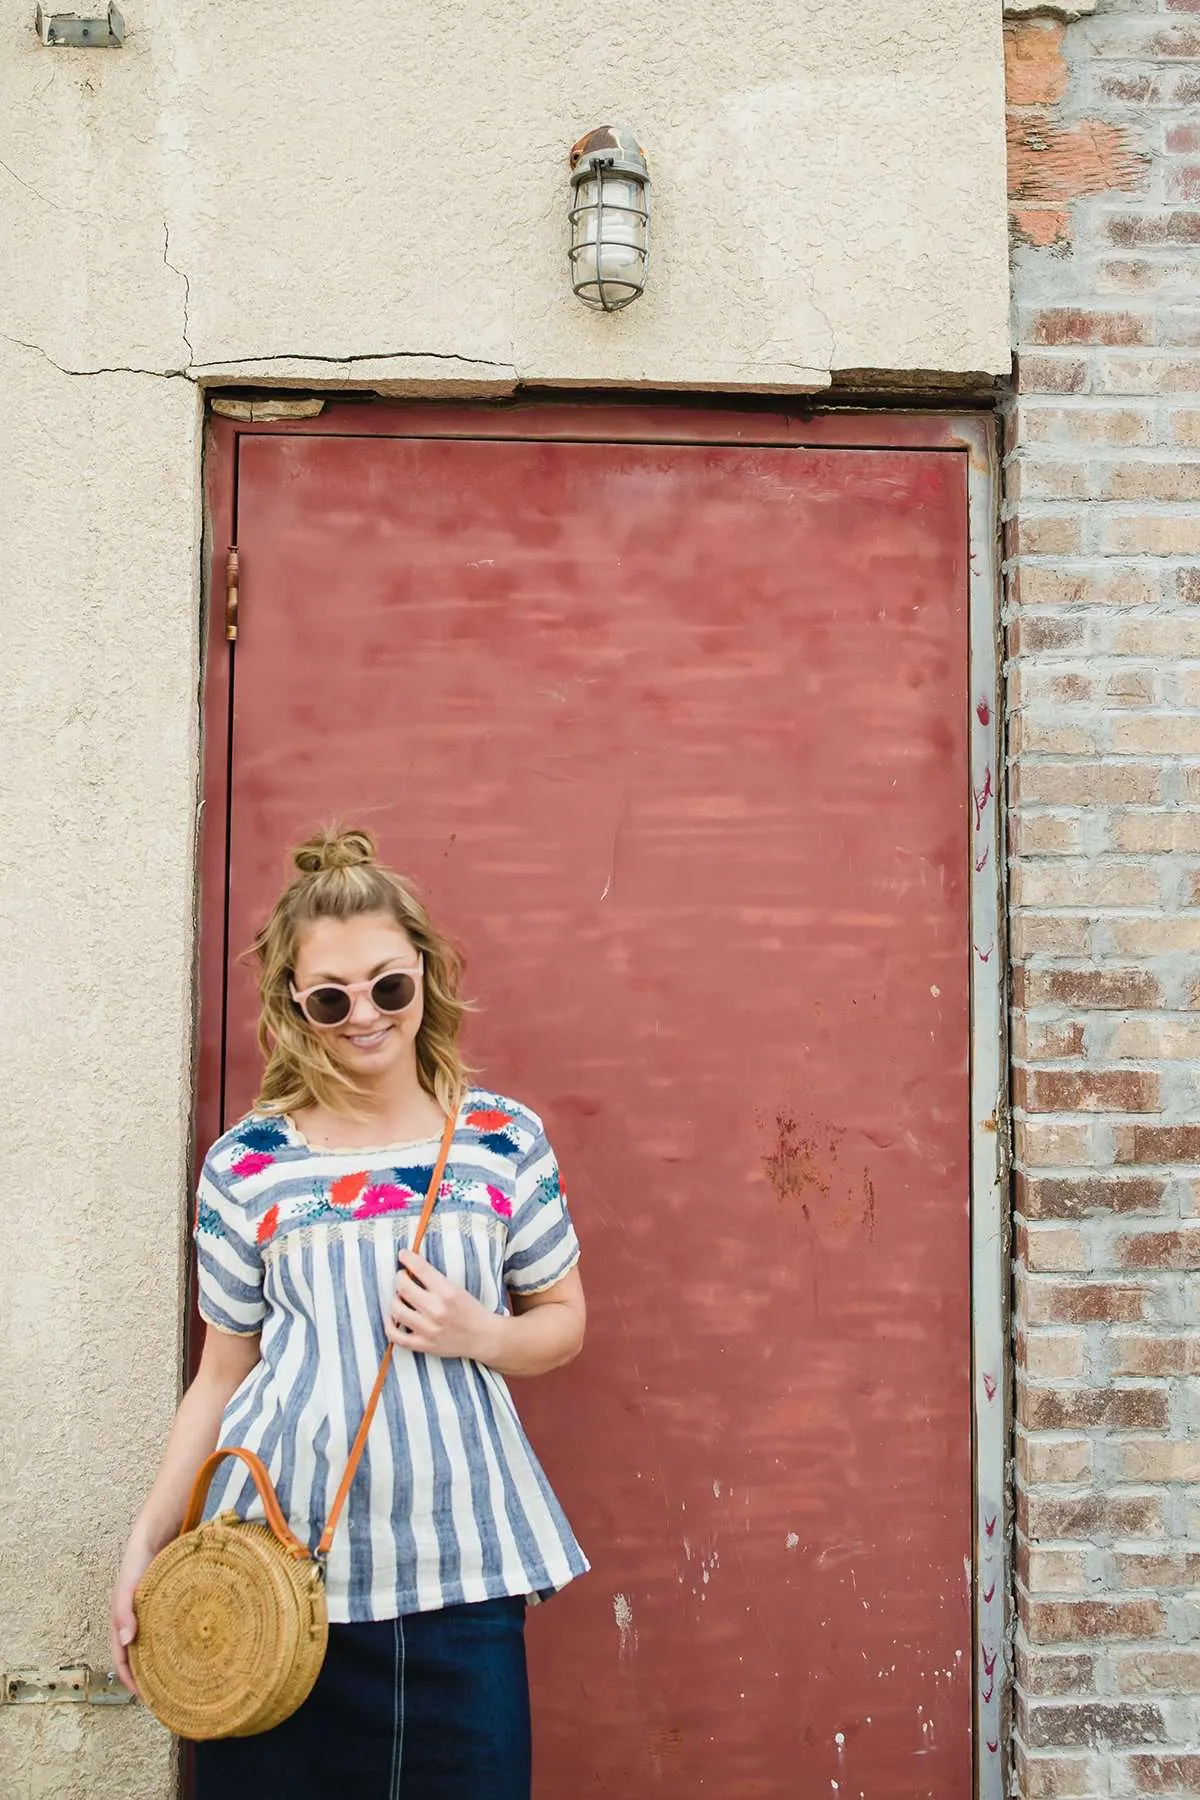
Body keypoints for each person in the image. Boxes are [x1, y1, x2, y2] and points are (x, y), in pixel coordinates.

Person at [109, 828, 588, 1798]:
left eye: (388, 986)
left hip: (463, 1586)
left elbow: (564, 1318)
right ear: (294, 1005)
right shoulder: (249, 1166)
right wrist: (146, 1542)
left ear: (426, 971)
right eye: (331, 997)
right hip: (271, 1592)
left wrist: (482, 1334)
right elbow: (223, 1371)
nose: (364, 1015)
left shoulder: (500, 1141)